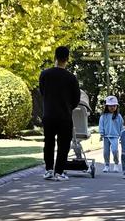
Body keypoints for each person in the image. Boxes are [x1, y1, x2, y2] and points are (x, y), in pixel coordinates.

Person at [39, 44, 81, 179]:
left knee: (49, 142)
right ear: (67, 59)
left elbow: (42, 92)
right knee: (63, 145)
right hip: (64, 116)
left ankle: (48, 169)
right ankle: (59, 171)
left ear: (55, 57)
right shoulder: (71, 78)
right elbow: (76, 98)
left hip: (49, 114)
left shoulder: (44, 74)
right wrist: (68, 107)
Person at [98, 96, 124, 166]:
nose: (112, 107)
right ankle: (107, 165)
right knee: (106, 152)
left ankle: (116, 163)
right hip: (106, 136)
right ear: (107, 106)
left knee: (115, 150)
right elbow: (101, 125)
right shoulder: (103, 116)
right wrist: (101, 133)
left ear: (116, 106)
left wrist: (122, 135)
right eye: (110, 106)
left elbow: (122, 126)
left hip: (115, 136)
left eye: (114, 106)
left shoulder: (119, 116)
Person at [70, 89, 92, 163]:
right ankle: (79, 157)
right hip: (82, 132)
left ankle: (78, 157)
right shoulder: (83, 109)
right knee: (76, 141)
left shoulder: (67, 108)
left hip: (69, 132)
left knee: (74, 140)